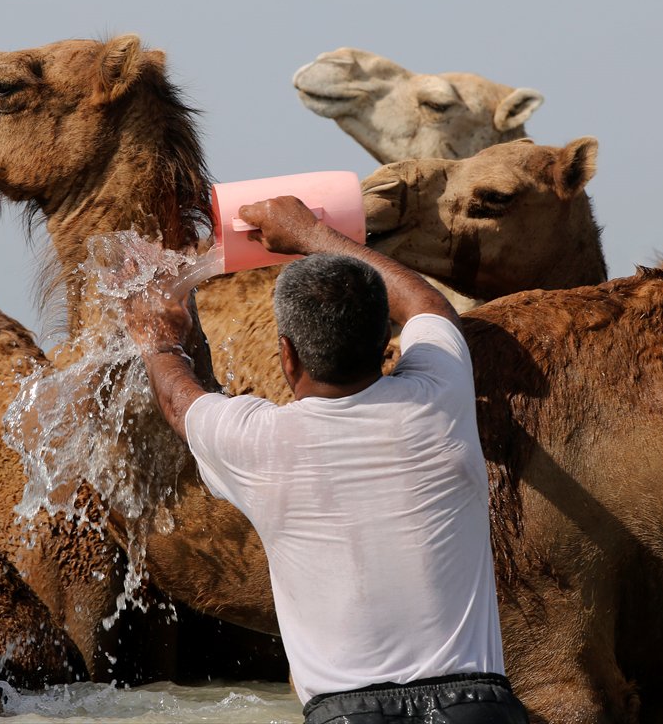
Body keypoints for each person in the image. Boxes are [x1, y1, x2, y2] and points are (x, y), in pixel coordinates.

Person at [125, 196, 528, 724]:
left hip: (347, 715)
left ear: (286, 355)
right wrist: (312, 234)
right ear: (387, 341)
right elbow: (426, 305)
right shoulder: (440, 396)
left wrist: (158, 338)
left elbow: (179, 403)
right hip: (476, 707)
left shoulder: (255, 441)